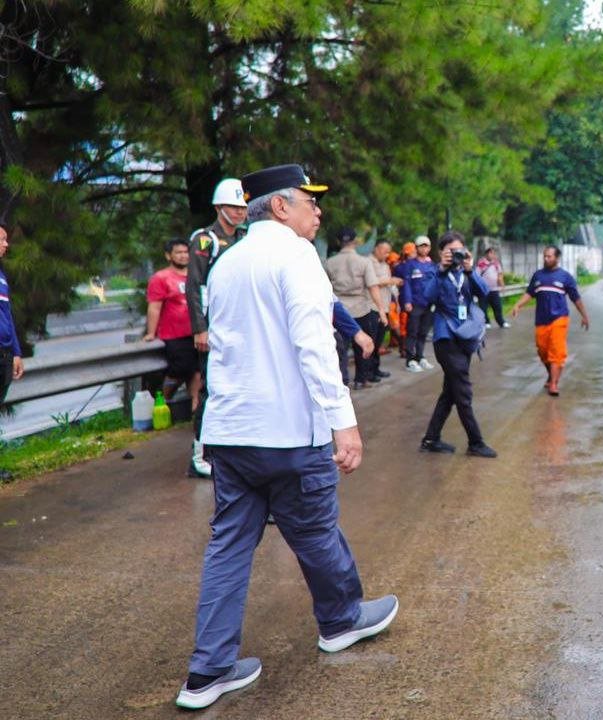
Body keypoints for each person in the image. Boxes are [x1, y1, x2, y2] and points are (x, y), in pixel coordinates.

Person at [176, 164, 397, 710]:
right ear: (280, 207)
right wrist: (342, 419)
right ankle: (342, 620)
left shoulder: (227, 262)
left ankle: (208, 671)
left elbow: (224, 348)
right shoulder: (295, 256)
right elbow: (314, 344)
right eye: (309, 202)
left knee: (228, 546)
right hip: (288, 434)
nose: (317, 212)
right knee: (316, 531)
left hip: (232, 433)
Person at [185, 178, 248, 478]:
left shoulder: (246, 238)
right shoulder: (204, 240)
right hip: (213, 328)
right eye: (233, 207)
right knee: (211, 389)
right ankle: (199, 454)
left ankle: (230, 452)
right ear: (219, 207)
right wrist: (200, 328)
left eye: (242, 207)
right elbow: (194, 286)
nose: (238, 213)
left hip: (240, 326)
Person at [417, 230, 497, 458]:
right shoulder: (435, 272)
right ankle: (475, 441)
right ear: (441, 253)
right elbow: (427, 297)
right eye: (450, 251)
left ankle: (431, 439)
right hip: (446, 339)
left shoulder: (466, 273)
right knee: (463, 390)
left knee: (450, 392)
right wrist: (441, 270)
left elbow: (484, 293)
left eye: (459, 251)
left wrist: (471, 270)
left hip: (465, 338)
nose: (455, 255)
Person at [510, 246, 590, 396]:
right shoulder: (538, 276)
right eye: (545, 256)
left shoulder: (565, 277)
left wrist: (584, 316)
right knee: (542, 350)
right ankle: (551, 374)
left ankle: (553, 384)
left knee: (556, 351)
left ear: (557, 258)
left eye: (549, 256)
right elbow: (529, 293)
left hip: (559, 318)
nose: (546, 259)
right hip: (541, 320)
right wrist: (518, 305)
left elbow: (576, 298)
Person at [143, 238, 200, 413]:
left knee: (197, 371)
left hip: (196, 332)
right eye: (178, 252)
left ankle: (195, 409)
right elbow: (154, 306)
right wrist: (151, 333)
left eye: (185, 252)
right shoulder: (161, 278)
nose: (183, 256)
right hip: (174, 334)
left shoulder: (195, 275)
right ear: (168, 255)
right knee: (179, 369)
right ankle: (163, 400)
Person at [325, 229, 386, 389]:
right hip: (362, 310)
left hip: (339, 312)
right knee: (363, 348)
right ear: (355, 242)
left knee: (341, 349)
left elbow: (324, 288)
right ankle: (360, 380)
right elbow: (373, 287)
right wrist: (380, 309)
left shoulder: (329, 262)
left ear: (339, 242)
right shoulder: (363, 262)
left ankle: (342, 381)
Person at [398, 235, 436, 373]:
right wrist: (407, 301)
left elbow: (436, 284)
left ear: (430, 248)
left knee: (423, 332)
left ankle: (420, 357)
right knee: (412, 332)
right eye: (421, 246)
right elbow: (406, 284)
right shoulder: (410, 265)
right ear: (417, 247)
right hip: (415, 304)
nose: (424, 248)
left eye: (426, 246)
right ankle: (410, 360)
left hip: (429, 304)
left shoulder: (432, 265)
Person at [0, 222, 24, 405]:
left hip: (5, 354)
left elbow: (7, 315)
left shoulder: (1, 276)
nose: (6, 245)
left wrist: (16, 352)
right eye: (2, 240)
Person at [369, 239, 400, 375]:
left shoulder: (385, 265)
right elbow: (371, 282)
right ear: (376, 248)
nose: (387, 254)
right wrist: (390, 281)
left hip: (385, 306)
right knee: (372, 340)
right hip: (373, 307)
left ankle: (375, 368)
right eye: (385, 251)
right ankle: (367, 372)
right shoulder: (368, 263)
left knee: (379, 339)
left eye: (389, 252)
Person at [476, 247, 510, 328]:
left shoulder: (496, 264)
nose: (493, 255)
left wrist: (502, 285)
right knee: (483, 308)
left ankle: (501, 322)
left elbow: (500, 274)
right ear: (487, 254)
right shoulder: (481, 263)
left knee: (498, 307)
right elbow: (476, 276)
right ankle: (486, 322)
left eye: (494, 253)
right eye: (491, 253)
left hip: (494, 290)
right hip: (483, 290)